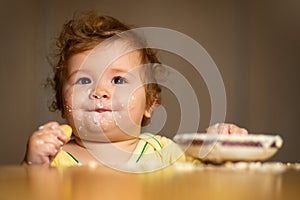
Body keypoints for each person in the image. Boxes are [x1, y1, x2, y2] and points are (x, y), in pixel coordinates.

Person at [22, 11, 247, 171]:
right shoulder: (54, 159)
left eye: (118, 80)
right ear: (62, 103)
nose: (99, 91)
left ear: (149, 104)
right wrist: (33, 164)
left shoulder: (165, 153)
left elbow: (213, 177)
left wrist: (222, 148)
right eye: (83, 80)